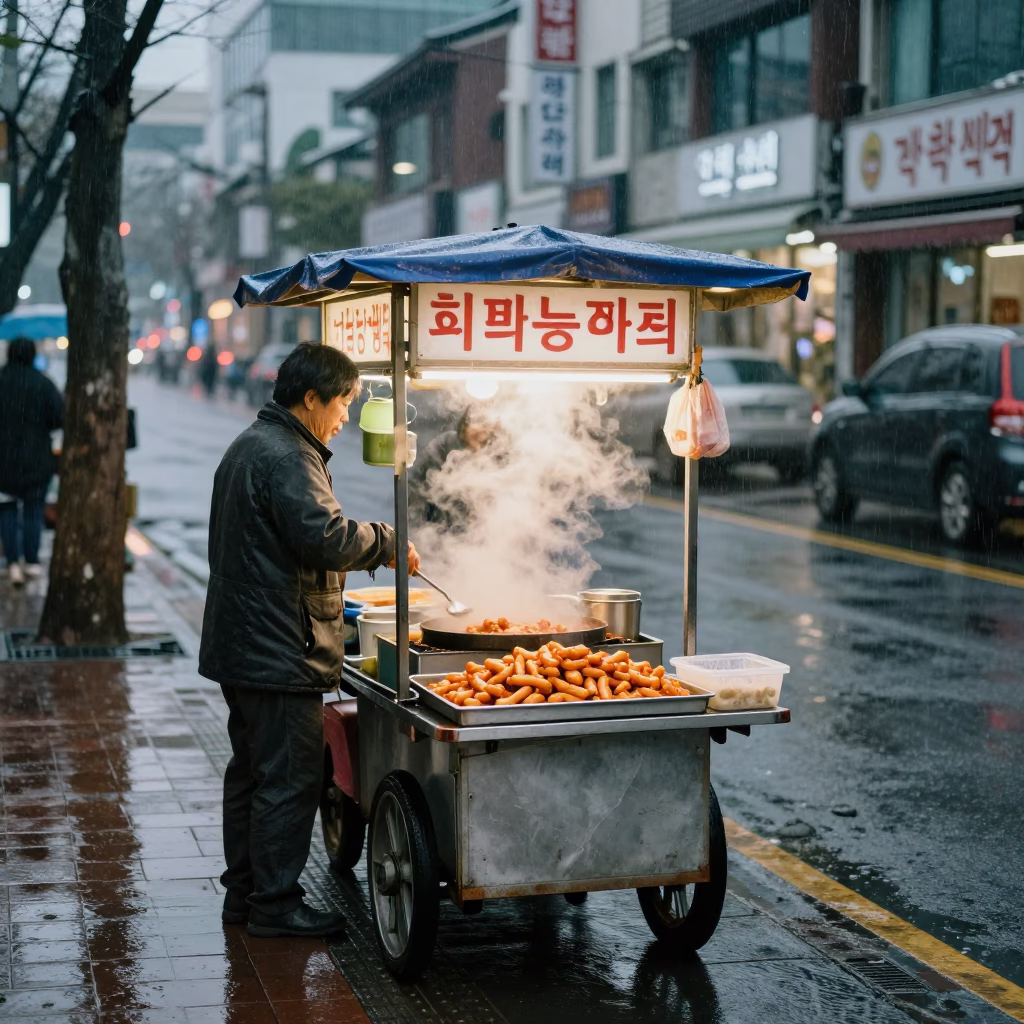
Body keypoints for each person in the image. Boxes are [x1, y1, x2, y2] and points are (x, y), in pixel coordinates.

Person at [198, 342, 420, 939]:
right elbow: (324, 537)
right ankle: (274, 904)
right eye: (342, 402)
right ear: (311, 397)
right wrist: (386, 540)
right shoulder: (285, 455)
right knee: (289, 778)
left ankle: (244, 896)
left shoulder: (253, 444)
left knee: (251, 774)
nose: (346, 416)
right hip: (278, 649)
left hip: (246, 643)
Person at [0, 336, 64, 586]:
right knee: (33, 511)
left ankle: (12, 562)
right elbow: (59, 418)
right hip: (37, 460)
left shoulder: (1, 381)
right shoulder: (43, 384)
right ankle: (32, 561)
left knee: (6, 511)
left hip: (3, 461)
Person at [408, 405, 499, 527]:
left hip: (486, 528)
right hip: (439, 528)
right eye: (473, 423)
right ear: (464, 425)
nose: (480, 430)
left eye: (486, 426)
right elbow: (417, 486)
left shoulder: (499, 452)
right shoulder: (446, 443)